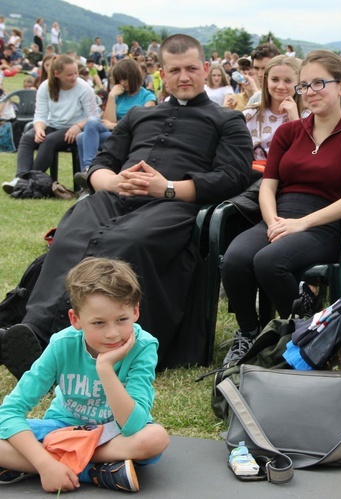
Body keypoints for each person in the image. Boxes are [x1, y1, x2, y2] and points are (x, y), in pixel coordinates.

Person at [0, 34, 253, 376]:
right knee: (73, 232)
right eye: (175, 70)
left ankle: (79, 346)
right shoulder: (137, 116)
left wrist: (167, 188)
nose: (184, 77)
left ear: (205, 68)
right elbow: (100, 163)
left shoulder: (227, 121)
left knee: (122, 243)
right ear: (162, 73)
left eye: (192, 68)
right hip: (116, 197)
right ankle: (32, 332)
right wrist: (113, 181)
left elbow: (233, 177)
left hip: (173, 206)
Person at [221, 50, 341, 365]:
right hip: (279, 214)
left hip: (323, 223)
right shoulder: (289, 132)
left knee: (268, 262)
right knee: (235, 259)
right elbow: (268, 185)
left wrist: (301, 224)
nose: (309, 93)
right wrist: (272, 220)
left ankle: (307, 332)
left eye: (319, 83)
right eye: (304, 86)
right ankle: (250, 334)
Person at [0, 258, 170, 492]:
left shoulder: (143, 346)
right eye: (99, 323)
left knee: (155, 438)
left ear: (136, 311)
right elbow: (10, 411)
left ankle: (26, 464)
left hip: (112, 435)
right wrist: (45, 464)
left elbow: (133, 426)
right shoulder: (62, 345)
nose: (112, 334)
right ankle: (94, 472)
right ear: (75, 320)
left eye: (122, 319)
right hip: (61, 431)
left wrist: (105, 369)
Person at [2, 55, 98, 193]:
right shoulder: (45, 87)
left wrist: (77, 127)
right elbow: (40, 115)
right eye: (70, 74)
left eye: (76, 73)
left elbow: (93, 117)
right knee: (27, 138)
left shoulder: (83, 88)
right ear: (57, 74)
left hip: (75, 129)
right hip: (52, 125)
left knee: (49, 141)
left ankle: (29, 182)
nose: (74, 77)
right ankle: (20, 178)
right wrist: (39, 128)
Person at [76, 58, 157, 174]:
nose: (122, 83)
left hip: (129, 137)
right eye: (119, 80)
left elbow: (141, 126)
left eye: (125, 79)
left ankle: (89, 172)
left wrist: (114, 125)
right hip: (114, 134)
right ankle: (88, 169)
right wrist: (112, 96)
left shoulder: (147, 97)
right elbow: (107, 121)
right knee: (90, 124)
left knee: (82, 137)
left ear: (134, 77)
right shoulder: (119, 95)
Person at [243, 55, 302, 160]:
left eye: (288, 81)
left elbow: (308, 156)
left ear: (298, 83)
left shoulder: (309, 117)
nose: (280, 86)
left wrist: (296, 122)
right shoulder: (249, 115)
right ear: (266, 82)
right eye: (275, 79)